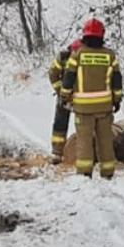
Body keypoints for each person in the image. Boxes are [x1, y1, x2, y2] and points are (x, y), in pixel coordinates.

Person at [61, 18, 123, 179]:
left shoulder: (77, 55)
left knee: (84, 141)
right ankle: (108, 172)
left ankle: (84, 173)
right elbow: (117, 80)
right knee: (105, 141)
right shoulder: (110, 56)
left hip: (83, 109)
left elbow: (68, 78)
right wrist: (117, 99)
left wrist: (65, 96)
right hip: (104, 108)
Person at [46, 34, 84, 163]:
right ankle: (57, 152)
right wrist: (61, 91)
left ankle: (83, 151)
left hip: (82, 96)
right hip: (65, 95)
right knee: (60, 123)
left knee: (84, 124)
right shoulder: (63, 57)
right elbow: (53, 74)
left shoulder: (85, 57)